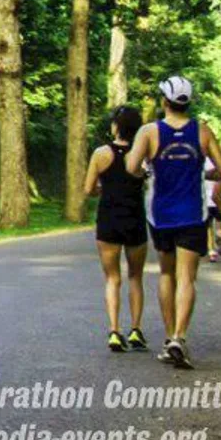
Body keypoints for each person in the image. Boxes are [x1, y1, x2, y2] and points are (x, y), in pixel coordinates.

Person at [127, 75, 221, 370]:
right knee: (187, 278)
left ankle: (168, 337)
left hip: (160, 214)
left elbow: (132, 167)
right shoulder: (203, 131)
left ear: (164, 101)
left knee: (166, 274)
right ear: (189, 102)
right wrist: (202, 173)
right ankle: (179, 338)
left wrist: (148, 172)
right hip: (193, 214)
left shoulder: (149, 132)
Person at [84, 104, 151, 353]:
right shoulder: (142, 154)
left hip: (109, 219)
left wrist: (105, 189)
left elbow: (88, 189)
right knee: (136, 276)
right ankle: (136, 329)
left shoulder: (101, 153)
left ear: (115, 127)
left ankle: (114, 330)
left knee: (112, 278)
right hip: (134, 219)